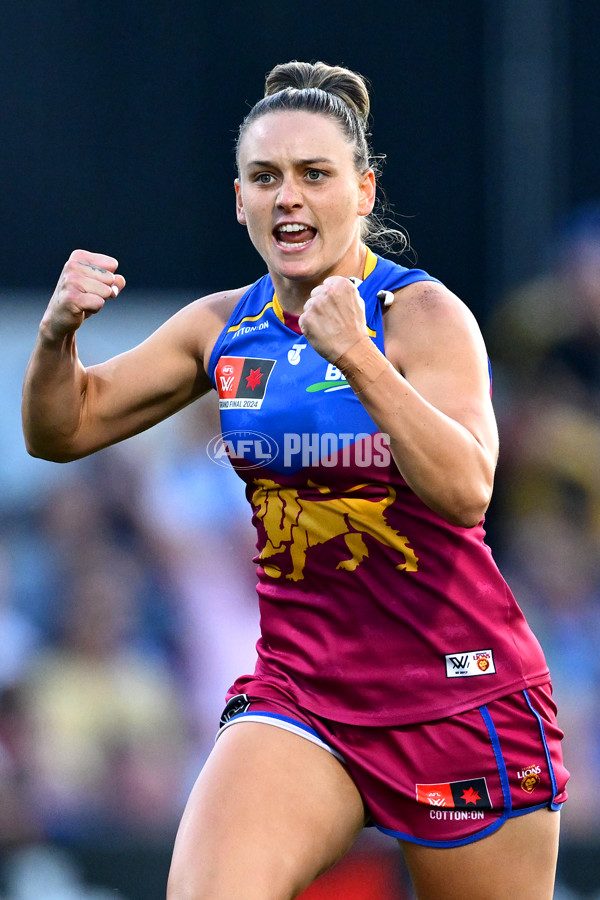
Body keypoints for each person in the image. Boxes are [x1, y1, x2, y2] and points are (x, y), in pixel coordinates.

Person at [22, 60, 568, 900]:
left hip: (459, 697)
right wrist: (57, 337)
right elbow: (63, 431)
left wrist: (358, 358)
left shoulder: (421, 316)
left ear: (362, 191)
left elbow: (467, 490)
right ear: (237, 198)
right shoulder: (221, 328)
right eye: (265, 177)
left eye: (315, 175)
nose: (289, 198)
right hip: (303, 693)